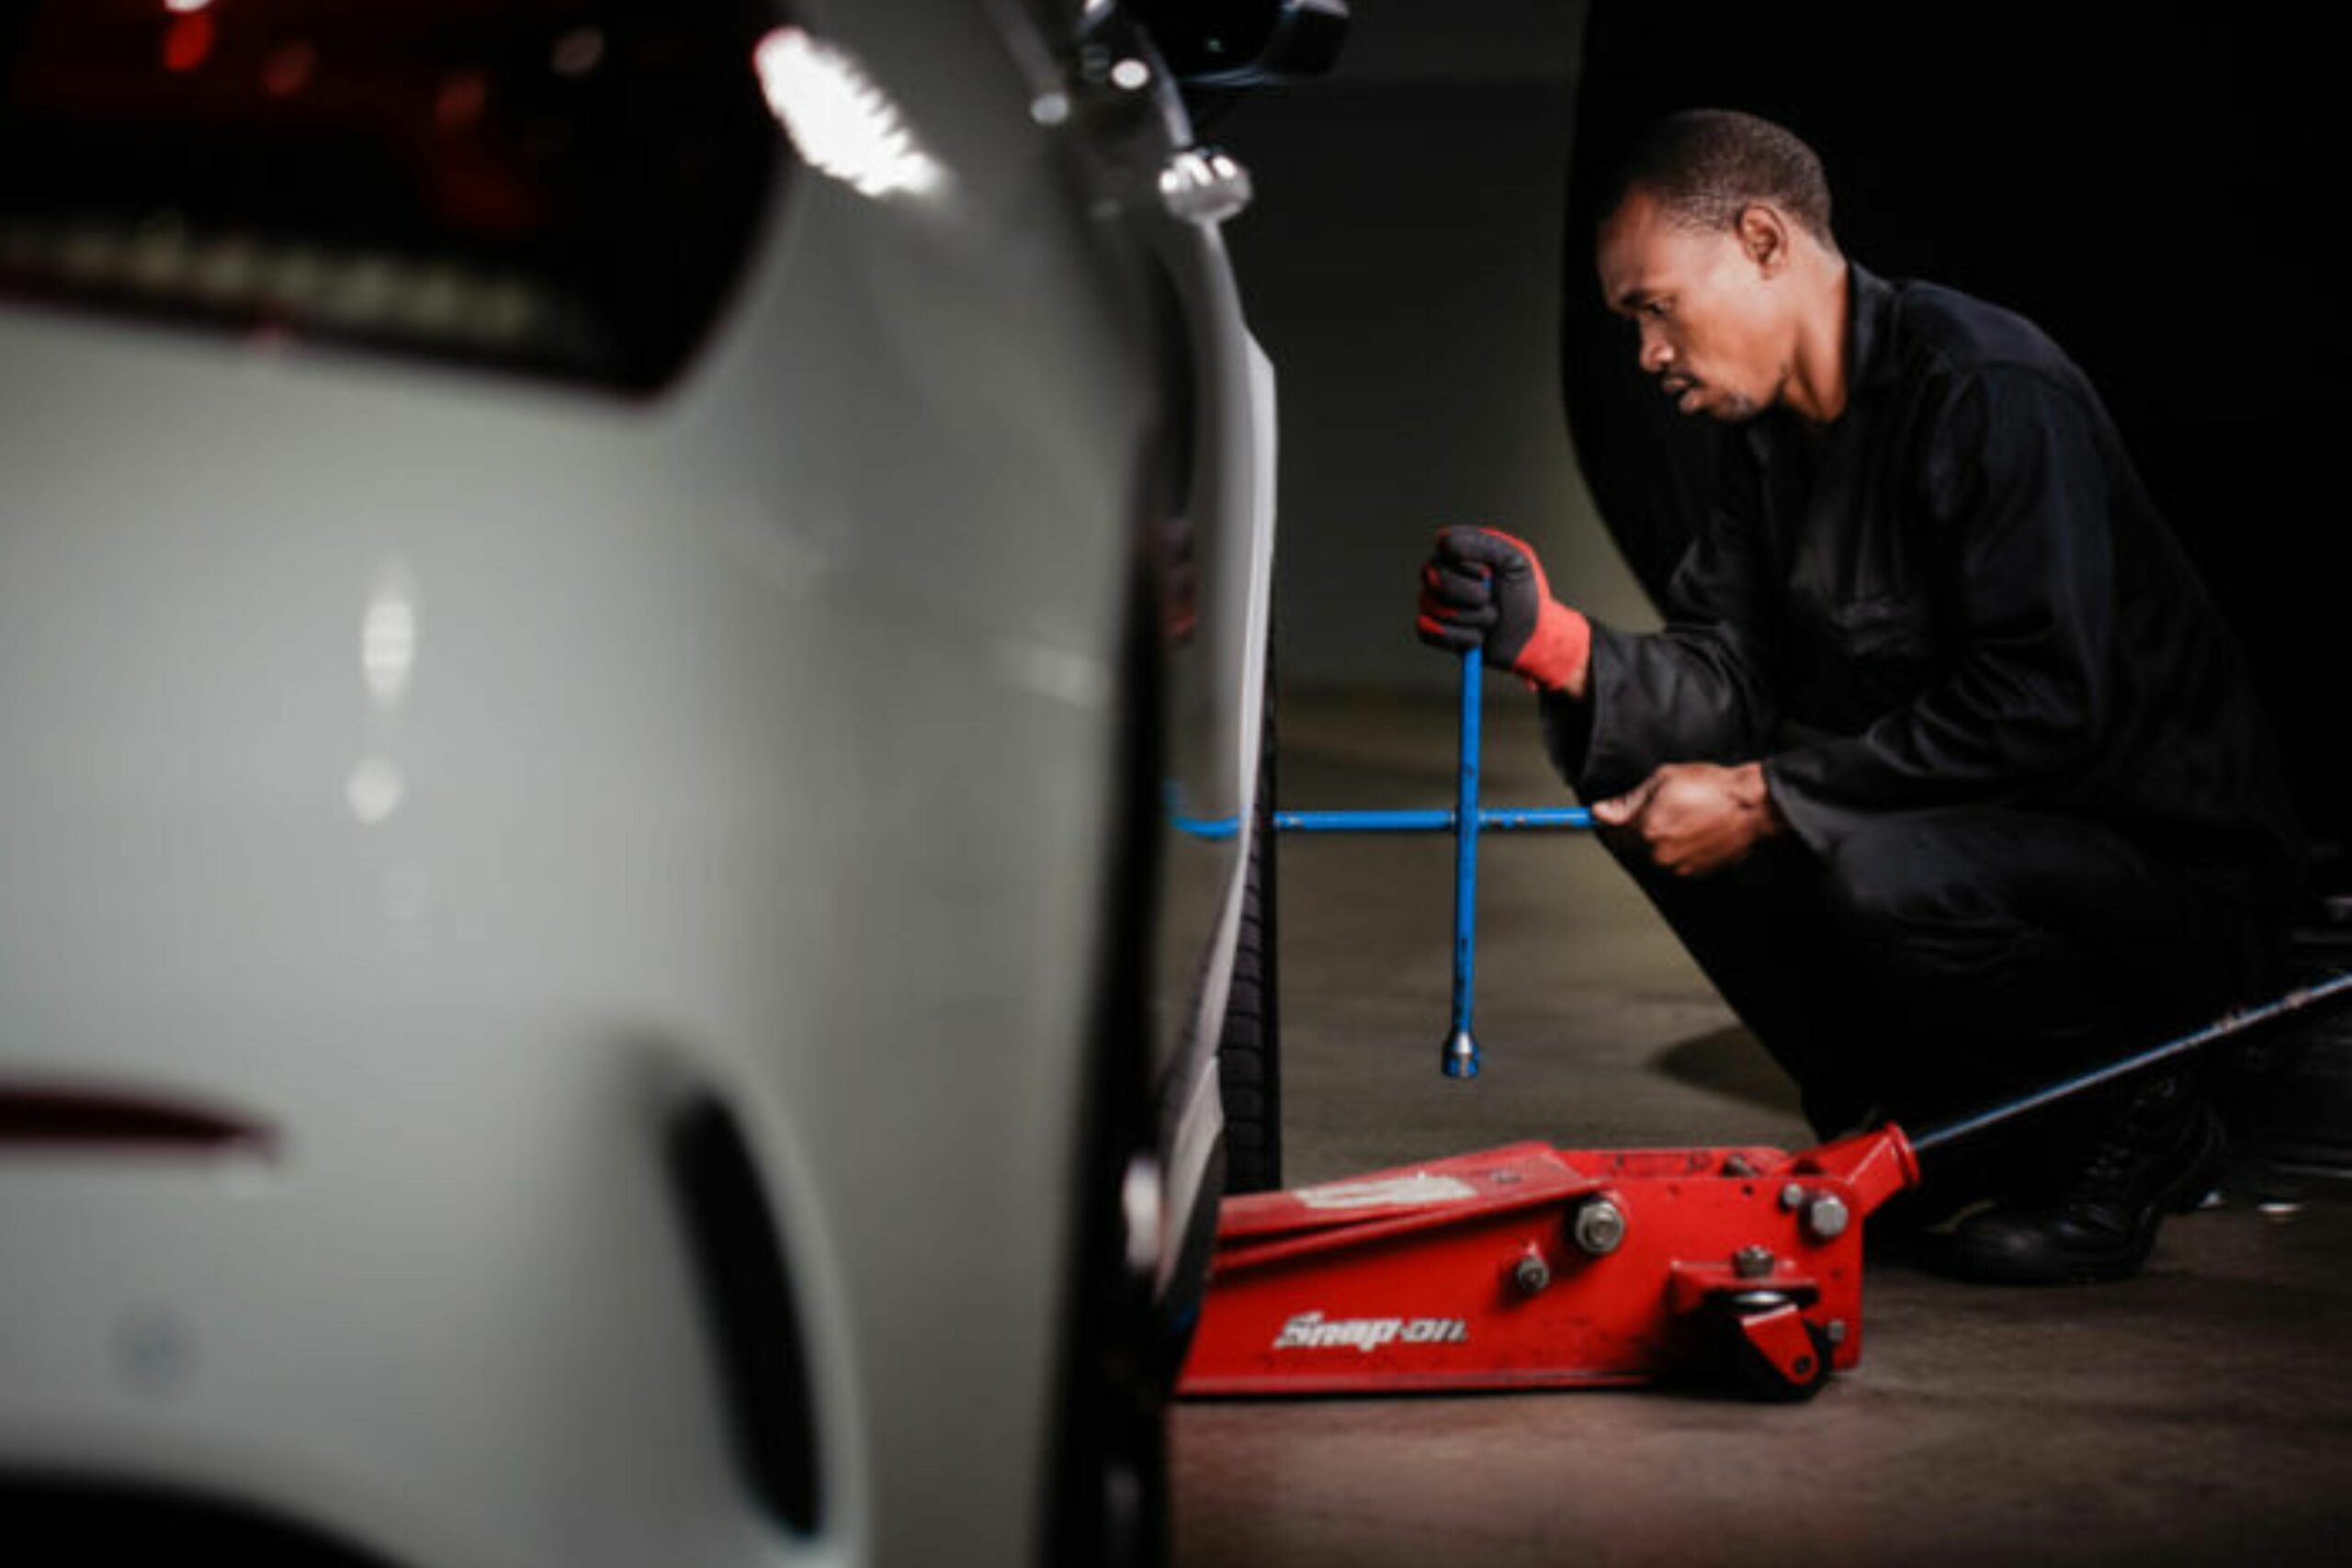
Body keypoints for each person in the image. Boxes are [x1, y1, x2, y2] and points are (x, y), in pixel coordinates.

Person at [1415, 108, 2302, 1284]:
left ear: (1763, 239)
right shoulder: (1763, 444)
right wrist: (1557, 644)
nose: (1645, 355)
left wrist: (1771, 793)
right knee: (1651, 779)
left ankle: (2130, 1129)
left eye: (1653, 306)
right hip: (1977, 846)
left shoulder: (1988, 388)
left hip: (2162, 882)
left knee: (1868, 859)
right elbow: (1724, 679)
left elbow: (2042, 706)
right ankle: (1916, 1131)